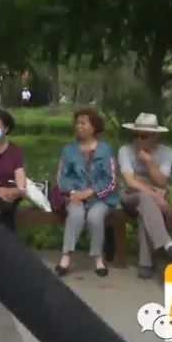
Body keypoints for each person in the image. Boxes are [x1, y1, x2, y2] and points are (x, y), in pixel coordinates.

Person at [117, 112, 172, 279]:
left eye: (144, 136)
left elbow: (161, 182)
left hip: (152, 200)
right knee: (147, 199)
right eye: (136, 135)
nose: (138, 140)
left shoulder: (166, 153)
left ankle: (145, 264)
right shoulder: (125, 150)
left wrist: (150, 162)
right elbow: (130, 182)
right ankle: (167, 243)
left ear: (155, 137)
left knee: (146, 209)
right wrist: (155, 194)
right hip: (130, 197)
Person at [54, 108, 118, 277]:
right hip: (74, 196)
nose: (79, 126)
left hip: (101, 198)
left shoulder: (105, 150)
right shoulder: (68, 150)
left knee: (94, 217)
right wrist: (73, 192)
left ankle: (98, 258)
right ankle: (66, 257)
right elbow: (62, 177)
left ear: (94, 127)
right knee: (75, 214)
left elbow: (111, 180)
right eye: (77, 123)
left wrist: (90, 192)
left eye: (83, 123)